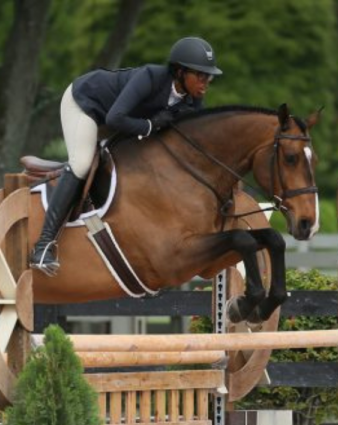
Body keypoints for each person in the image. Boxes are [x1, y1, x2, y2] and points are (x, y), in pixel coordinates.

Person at [29, 36, 223, 276]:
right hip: (86, 104)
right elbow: (115, 118)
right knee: (81, 164)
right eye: (201, 75)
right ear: (181, 72)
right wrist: (150, 126)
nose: (206, 82)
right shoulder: (150, 77)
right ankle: (43, 246)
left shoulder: (194, 99)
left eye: (209, 77)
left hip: (121, 120)